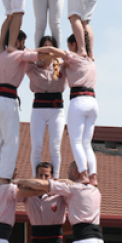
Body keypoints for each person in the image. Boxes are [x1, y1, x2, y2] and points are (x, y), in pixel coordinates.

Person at [37, 34, 98, 183]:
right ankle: (93, 176)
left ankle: (83, 174)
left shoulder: (74, 56)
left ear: (73, 44)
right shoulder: (90, 60)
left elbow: (52, 49)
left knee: (76, 142)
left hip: (79, 100)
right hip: (93, 102)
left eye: (69, 45)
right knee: (86, 144)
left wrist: (33, 50)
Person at [0, 31, 39, 181]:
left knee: (0, 140)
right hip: (7, 99)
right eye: (23, 42)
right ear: (17, 42)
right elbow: (39, 56)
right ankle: (4, 177)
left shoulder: (0, 54)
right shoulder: (18, 54)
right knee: (12, 141)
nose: (24, 46)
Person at [28, 37, 67, 177]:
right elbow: (27, 54)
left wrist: (54, 53)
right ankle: (35, 176)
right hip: (38, 108)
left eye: (51, 47)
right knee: (36, 145)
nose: (48, 51)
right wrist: (40, 52)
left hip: (56, 109)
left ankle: (55, 178)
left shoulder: (62, 67)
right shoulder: (33, 67)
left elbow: (67, 56)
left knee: (55, 146)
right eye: (44, 47)